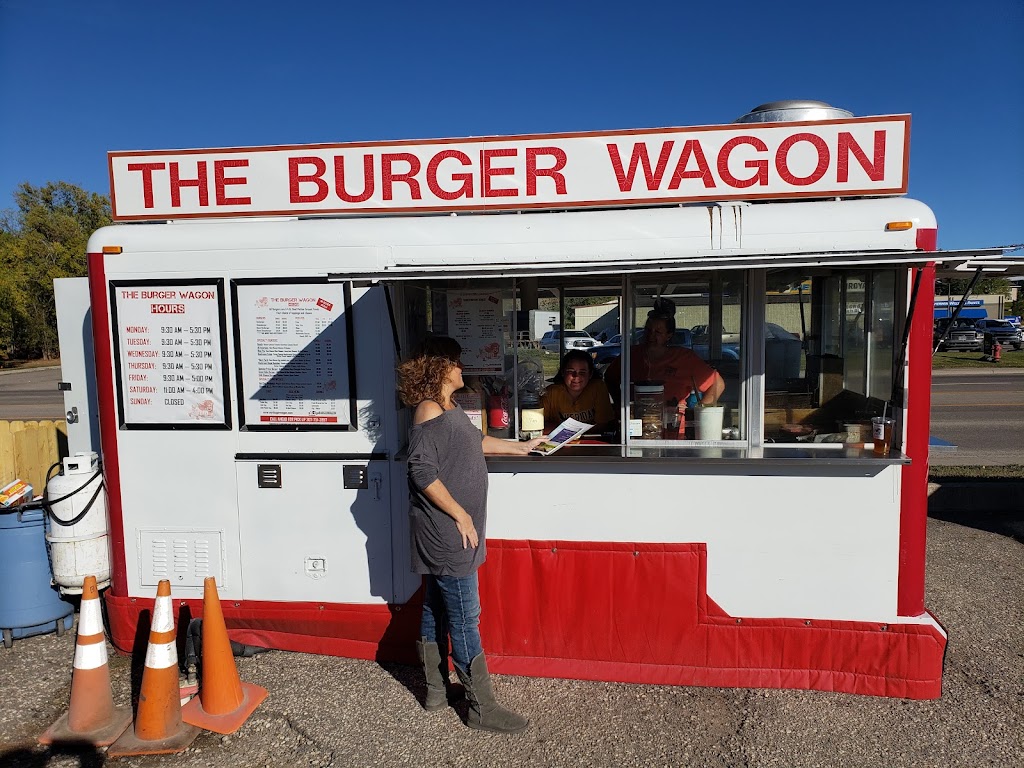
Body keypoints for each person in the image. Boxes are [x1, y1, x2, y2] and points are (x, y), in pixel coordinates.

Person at [396, 335, 542, 734]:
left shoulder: (448, 407)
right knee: (464, 616)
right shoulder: (427, 410)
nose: (463, 368)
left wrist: (523, 447)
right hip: (447, 532)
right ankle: (481, 708)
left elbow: (476, 441)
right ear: (441, 367)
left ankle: (436, 692)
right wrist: (461, 515)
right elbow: (421, 471)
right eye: (457, 362)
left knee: (435, 608)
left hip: (449, 530)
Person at [606, 299, 725, 406]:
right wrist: (620, 404)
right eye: (648, 330)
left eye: (657, 332)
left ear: (669, 335)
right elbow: (610, 376)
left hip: (674, 425)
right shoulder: (632, 355)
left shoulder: (684, 358)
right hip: (636, 425)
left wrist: (702, 412)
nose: (651, 335)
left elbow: (717, 383)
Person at [541, 349, 615, 431]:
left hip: (590, 440)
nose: (576, 376)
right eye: (570, 371)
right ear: (562, 372)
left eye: (582, 372)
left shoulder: (598, 387)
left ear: (590, 374)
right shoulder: (551, 392)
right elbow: (540, 422)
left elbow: (603, 424)